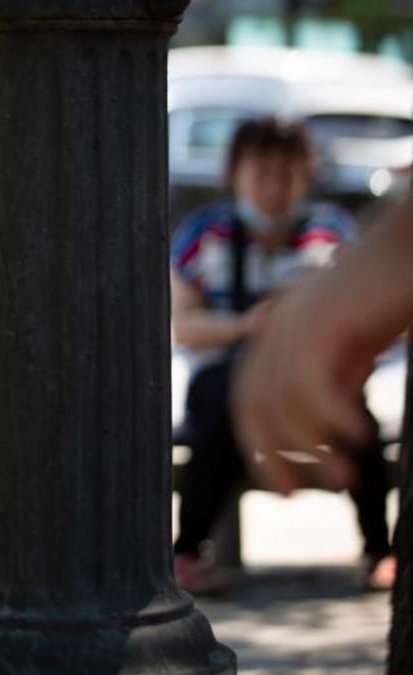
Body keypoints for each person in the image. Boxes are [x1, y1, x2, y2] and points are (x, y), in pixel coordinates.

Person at [169, 117, 394, 594]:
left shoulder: (331, 234)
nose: (274, 188)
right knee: (220, 417)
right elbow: (181, 324)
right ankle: (186, 553)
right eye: (261, 174)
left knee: (359, 426)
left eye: (286, 173)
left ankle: (380, 549)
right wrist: (247, 328)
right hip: (221, 385)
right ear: (235, 174)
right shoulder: (202, 234)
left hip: (318, 383)